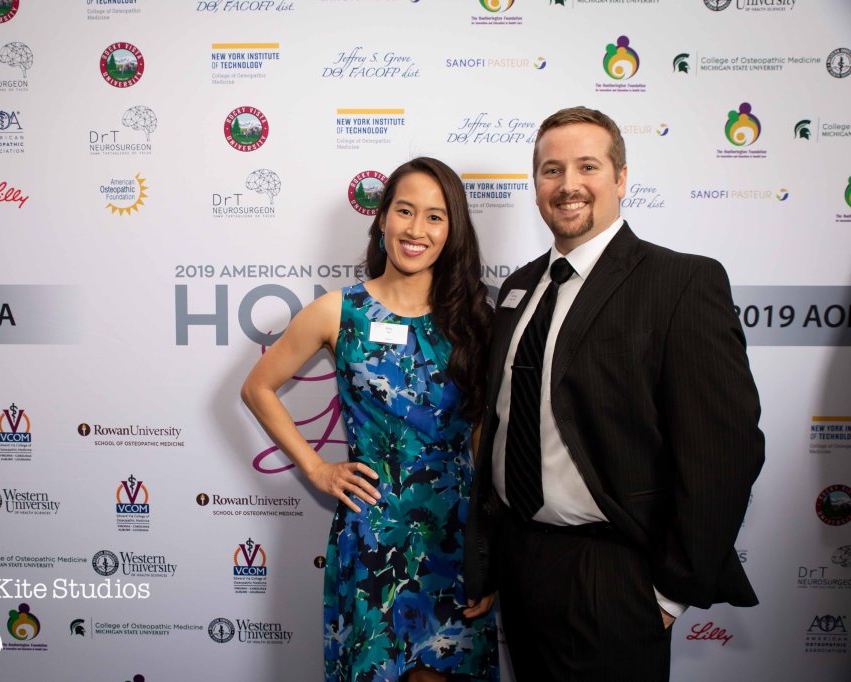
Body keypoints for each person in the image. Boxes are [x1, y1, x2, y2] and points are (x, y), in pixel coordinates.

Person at [464, 106, 765, 681]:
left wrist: (670, 592)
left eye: (588, 166)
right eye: (552, 170)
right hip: (521, 561)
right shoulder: (521, 287)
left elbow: (725, 450)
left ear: (621, 178)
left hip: (613, 572)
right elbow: (502, 421)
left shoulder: (680, 282)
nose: (568, 185)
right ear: (536, 184)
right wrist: (490, 558)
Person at [242, 157, 499, 682]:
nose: (416, 229)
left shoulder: (475, 319)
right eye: (405, 210)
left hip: (453, 535)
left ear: (452, 231)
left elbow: (482, 436)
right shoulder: (340, 311)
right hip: (372, 534)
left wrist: (488, 550)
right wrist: (317, 468)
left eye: (435, 216)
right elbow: (257, 387)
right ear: (382, 218)